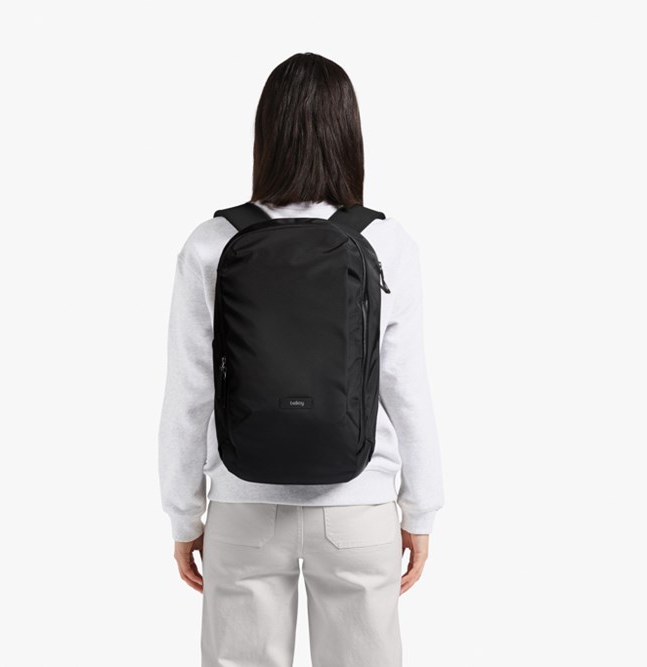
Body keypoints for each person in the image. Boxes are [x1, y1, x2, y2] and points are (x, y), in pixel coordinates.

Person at [157, 52, 444, 667]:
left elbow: (188, 394)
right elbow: (406, 388)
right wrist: (420, 509)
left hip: (242, 506)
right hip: (359, 507)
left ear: (266, 134)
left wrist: (184, 517)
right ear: (348, 135)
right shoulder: (384, 241)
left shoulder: (213, 242)